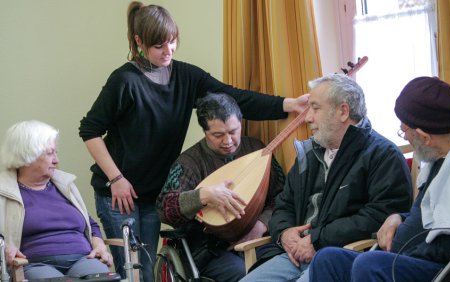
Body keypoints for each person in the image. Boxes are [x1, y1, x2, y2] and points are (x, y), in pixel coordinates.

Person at [78, 2, 307, 281]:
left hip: (151, 193)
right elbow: (89, 130)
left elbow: (235, 97)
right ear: (139, 42)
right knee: (132, 273)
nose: (168, 51)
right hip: (118, 193)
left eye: (172, 42)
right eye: (159, 45)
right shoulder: (124, 81)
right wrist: (116, 179)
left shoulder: (186, 76)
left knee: (146, 273)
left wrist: (289, 104)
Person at [240, 74, 412, 282]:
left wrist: (318, 239)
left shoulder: (383, 154)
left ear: (343, 111)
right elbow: (284, 204)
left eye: (315, 108)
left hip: (344, 257)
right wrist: (285, 233)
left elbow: (379, 216)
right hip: (294, 255)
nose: (307, 118)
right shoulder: (309, 153)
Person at [309, 76, 450, 282]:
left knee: (370, 265)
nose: (404, 136)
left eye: (404, 129)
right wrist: (399, 217)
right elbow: (435, 214)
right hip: (407, 256)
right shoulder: (441, 156)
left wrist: (406, 250)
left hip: (444, 267)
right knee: (327, 259)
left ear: (424, 136)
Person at [156, 93, 285, 281]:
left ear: (241, 123)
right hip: (210, 249)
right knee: (248, 275)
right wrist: (202, 196)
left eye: (233, 131)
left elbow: (282, 194)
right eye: (218, 135)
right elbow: (164, 208)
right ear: (205, 132)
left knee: (285, 267)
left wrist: (261, 224)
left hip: (258, 239)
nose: (228, 141)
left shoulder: (257, 148)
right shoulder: (189, 162)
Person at [0, 120, 113, 280]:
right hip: (35, 264)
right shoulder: (4, 190)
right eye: (49, 153)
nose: (56, 160)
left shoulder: (65, 185)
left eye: (56, 153)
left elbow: (91, 224)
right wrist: (4, 248)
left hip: (83, 259)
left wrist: (99, 245)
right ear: (27, 157)